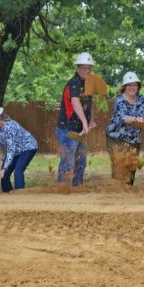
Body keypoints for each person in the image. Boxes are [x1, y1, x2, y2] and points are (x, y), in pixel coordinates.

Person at [56, 52, 96, 186]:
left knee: (81, 162)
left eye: (89, 68)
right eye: (85, 68)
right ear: (78, 68)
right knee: (68, 162)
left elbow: (91, 104)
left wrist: (90, 121)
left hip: (79, 130)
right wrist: (85, 122)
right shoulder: (74, 83)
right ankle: (62, 189)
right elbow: (75, 102)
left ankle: (76, 189)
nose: (88, 70)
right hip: (67, 129)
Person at [0, 102, 38, 193]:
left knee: (18, 171)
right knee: (4, 175)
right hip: (15, 151)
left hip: (28, 147)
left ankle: (21, 194)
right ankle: (8, 195)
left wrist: (3, 168)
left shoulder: (10, 127)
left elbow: (11, 150)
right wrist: (1, 152)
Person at [106, 71, 144, 185]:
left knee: (131, 167)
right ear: (124, 87)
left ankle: (128, 194)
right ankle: (117, 193)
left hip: (134, 139)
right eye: (129, 85)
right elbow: (124, 118)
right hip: (116, 138)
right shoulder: (119, 101)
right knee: (119, 167)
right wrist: (136, 119)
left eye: (134, 84)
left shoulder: (141, 99)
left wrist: (143, 120)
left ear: (138, 86)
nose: (132, 87)